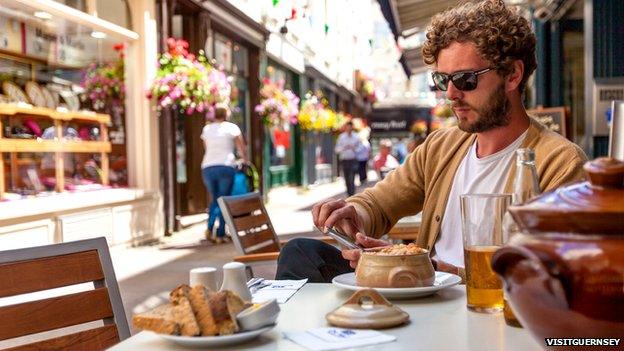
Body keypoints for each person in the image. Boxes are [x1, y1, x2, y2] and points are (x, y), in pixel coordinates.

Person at [275, 0, 588, 283]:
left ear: (512, 76)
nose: (451, 93)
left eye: (466, 79)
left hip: (485, 305)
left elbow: (549, 279)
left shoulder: (560, 163)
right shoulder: (443, 146)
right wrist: (353, 214)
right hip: (421, 290)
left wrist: (434, 270)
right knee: (300, 253)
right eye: (442, 80)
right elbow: (380, 202)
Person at [201, 104, 248, 244]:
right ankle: (220, 233)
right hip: (226, 166)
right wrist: (244, 160)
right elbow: (241, 148)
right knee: (223, 199)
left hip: (208, 167)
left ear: (214, 115)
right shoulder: (232, 128)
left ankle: (209, 228)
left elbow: (206, 148)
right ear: (226, 114)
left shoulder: (207, 129)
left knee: (214, 199)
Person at [334, 121, 362, 196]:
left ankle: (352, 194)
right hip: (344, 160)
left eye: (350, 127)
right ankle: (349, 194)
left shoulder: (356, 136)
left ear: (352, 127)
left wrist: (354, 148)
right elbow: (337, 149)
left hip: (353, 160)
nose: (349, 129)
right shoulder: (341, 137)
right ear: (345, 128)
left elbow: (360, 148)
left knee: (352, 177)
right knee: (346, 178)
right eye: (347, 127)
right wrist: (344, 148)